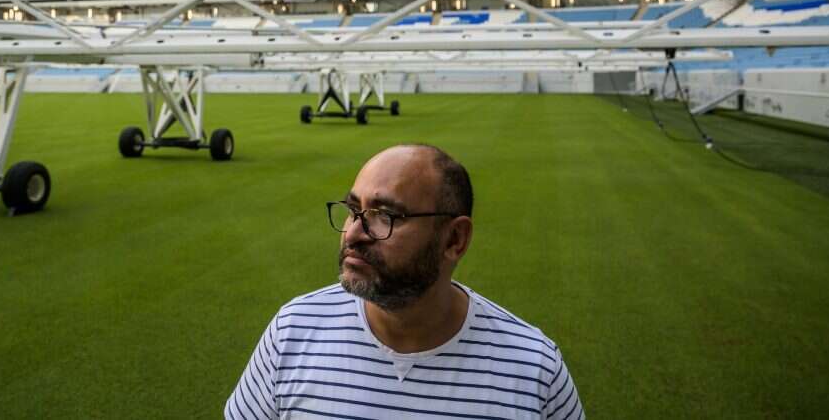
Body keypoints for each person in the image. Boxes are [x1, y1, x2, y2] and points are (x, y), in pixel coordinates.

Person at [225, 144, 583, 419]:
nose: (353, 234)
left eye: (385, 216)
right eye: (353, 210)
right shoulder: (293, 330)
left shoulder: (534, 369)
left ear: (454, 240)